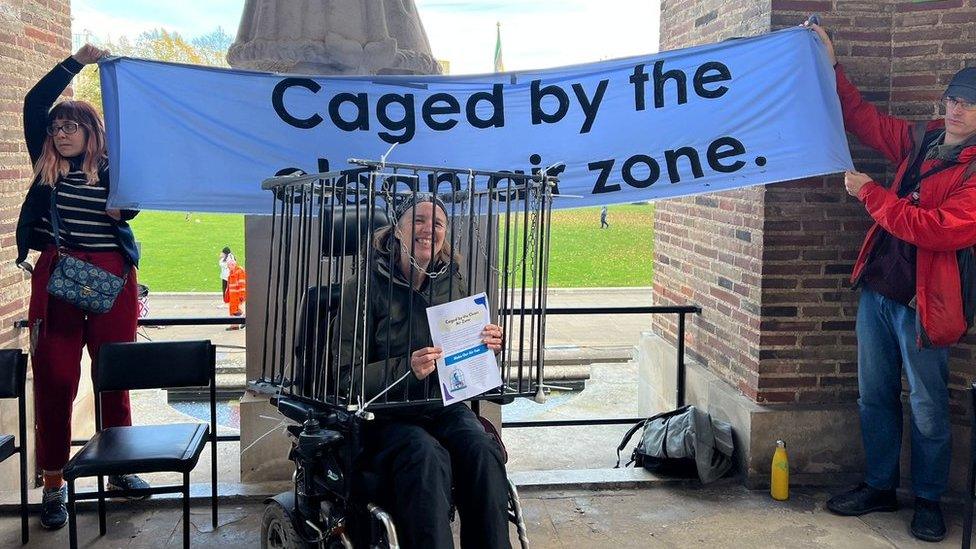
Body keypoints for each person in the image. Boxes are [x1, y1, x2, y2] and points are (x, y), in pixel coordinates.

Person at [807, 21, 976, 542]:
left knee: (927, 404)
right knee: (874, 395)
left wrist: (871, 195)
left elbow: (936, 230)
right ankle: (880, 486)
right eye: (953, 98)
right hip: (880, 290)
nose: (956, 109)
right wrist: (831, 64)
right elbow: (862, 119)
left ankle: (928, 500)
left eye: (969, 103)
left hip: (926, 303)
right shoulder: (922, 138)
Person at [15, 44, 151, 530]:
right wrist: (76, 63)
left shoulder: (113, 166)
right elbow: (34, 104)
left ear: (92, 131)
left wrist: (126, 206)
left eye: (71, 126)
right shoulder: (46, 166)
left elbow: (143, 186)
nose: (60, 133)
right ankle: (54, 483)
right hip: (58, 280)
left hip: (113, 278)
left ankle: (118, 469)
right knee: (54, 377)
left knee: (115, 374)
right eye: (57, 127)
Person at [336, 194, 510, 549]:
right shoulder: (364, 287)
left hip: (441, 406)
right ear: (397, 229)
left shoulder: (452, 282)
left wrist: (486, 347)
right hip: (385, 417)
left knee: (482, 447)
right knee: (426, 456)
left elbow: (464, 366)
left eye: (438, 223)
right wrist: (406, 369)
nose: (428, 229)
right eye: (418, 220)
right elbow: (343, 377)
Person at [225, 258, 246, 329]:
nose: (228, 268)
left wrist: (241, 296)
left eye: (228, 266)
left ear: (233, 265)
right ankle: (235, 325)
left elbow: (242, 285)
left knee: (237, 311)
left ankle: (243, 320)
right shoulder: (233, 272)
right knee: (233, 310)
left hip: (237, 296)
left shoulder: (239, 272)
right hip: (233, 296)